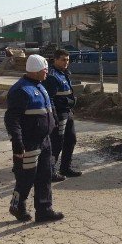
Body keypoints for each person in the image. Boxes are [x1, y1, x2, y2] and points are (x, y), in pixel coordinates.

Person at [4, 54, 64, 223]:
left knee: (45, 176)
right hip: (29, 143)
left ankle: (44, 210)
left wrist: (54, 124)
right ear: (36, 71)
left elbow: (47, 110)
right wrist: (17, 143)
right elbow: (11, 119)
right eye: (45, 70)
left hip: (44, 141)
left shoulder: (40, 85)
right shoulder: (21, 90)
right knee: (26, 178)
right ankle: (17, 205)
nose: (47, 73)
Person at [44, 49, 82, 181]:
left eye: (67, 60)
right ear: (55, 60)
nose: (66, 62)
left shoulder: (63, 73)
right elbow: (50, 99)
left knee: (71, 140)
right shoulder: (52, 76)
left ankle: (65, 168)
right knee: (57, 143)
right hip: (59, 114)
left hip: (67, 112)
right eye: (63, 60)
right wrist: (54, 116)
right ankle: (50, 171)